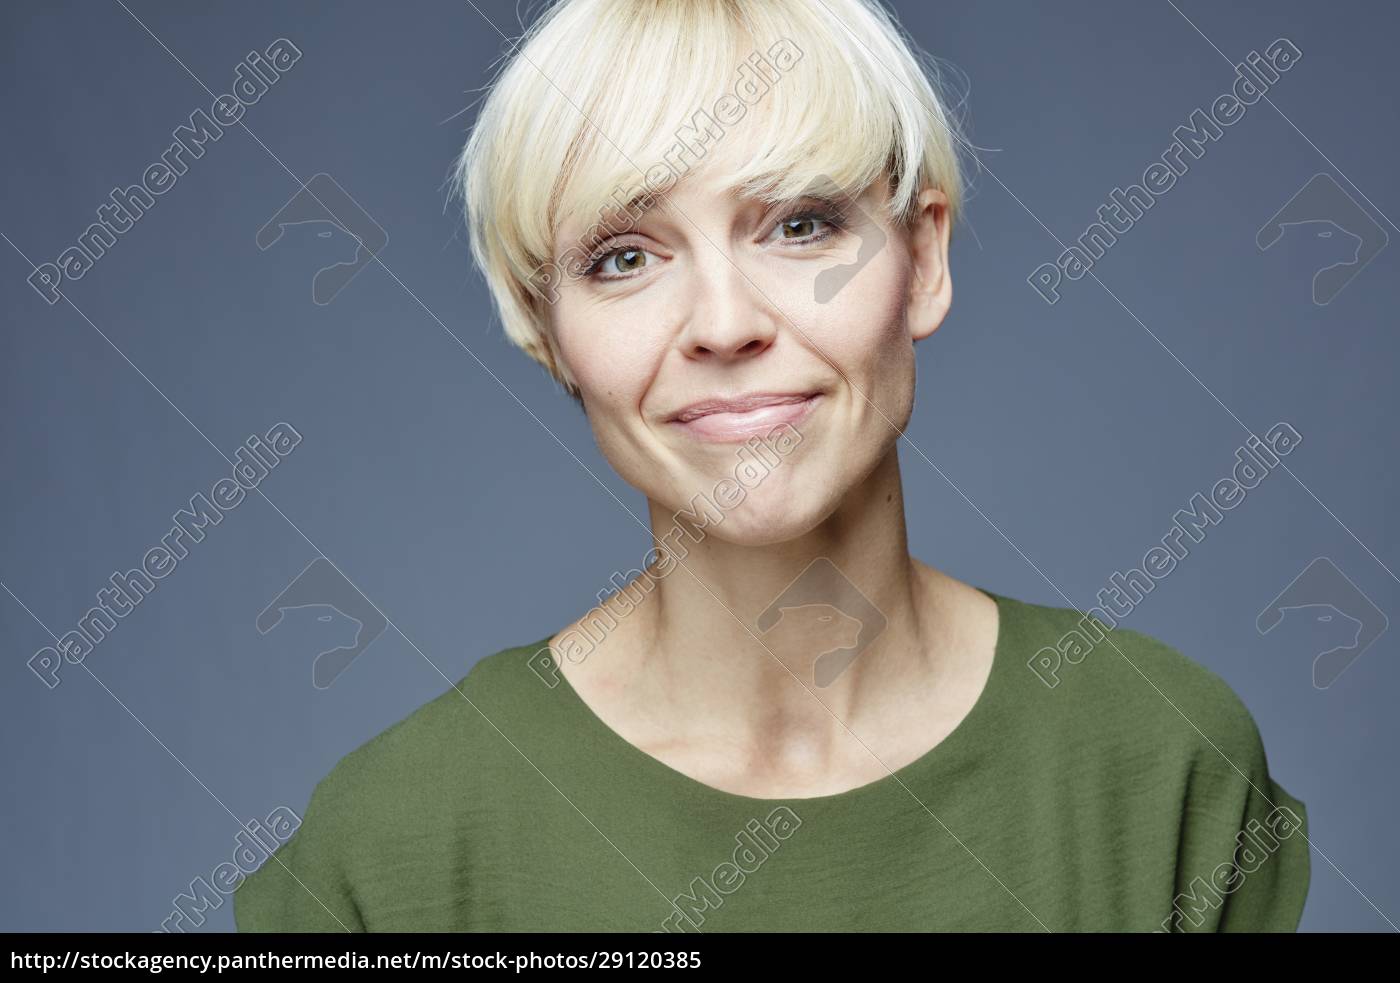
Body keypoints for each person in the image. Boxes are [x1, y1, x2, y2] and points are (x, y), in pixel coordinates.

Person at [234, 0, 1309, 932]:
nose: (723, 322)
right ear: (546, 328)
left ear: (923, 258)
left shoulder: (1162, 759)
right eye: (623, 257)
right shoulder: (394, 850)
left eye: (799, 225)